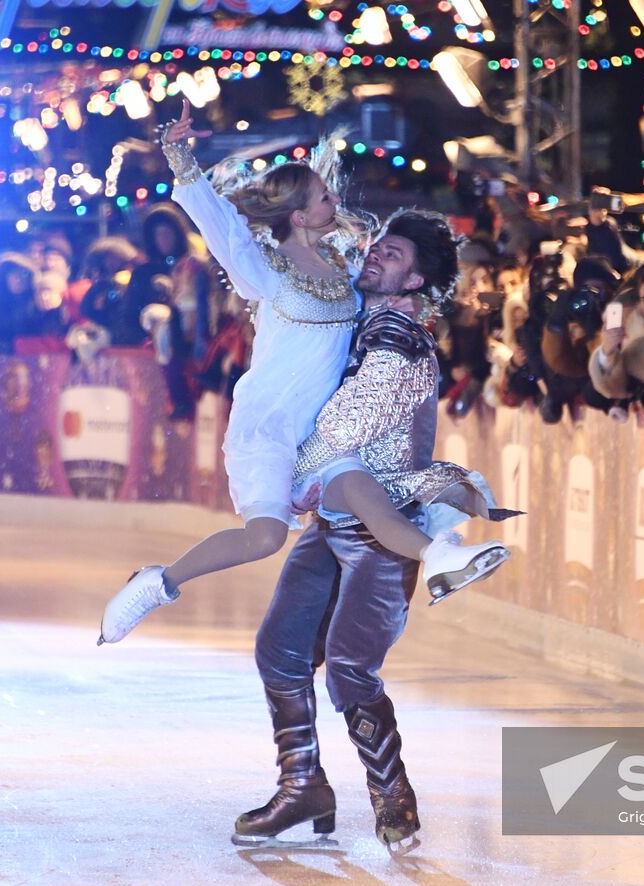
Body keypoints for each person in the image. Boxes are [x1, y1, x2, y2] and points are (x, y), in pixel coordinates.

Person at [98, 102, 505, 645]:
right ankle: (157, 581)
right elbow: (221, 228)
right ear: (299, 216)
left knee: (364, 491)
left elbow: (399, 285)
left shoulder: (346, 270)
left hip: (322, 432)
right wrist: (180, 158)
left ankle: (440, 557)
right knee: (265, 537)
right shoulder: (265, 273)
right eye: (323, 198)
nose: (336, 201)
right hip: (267, 425)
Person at [237, 209, 515, 850]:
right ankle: (302, 784)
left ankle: (393, 799)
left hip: (377, 529)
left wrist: (293, 474)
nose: (375, 259)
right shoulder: (368, 321)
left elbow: (344, 427)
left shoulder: (398, 336)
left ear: (415, 282)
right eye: (377, 249)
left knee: (351, 670)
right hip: (337, 522)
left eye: (391, 257)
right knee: (280, 650)